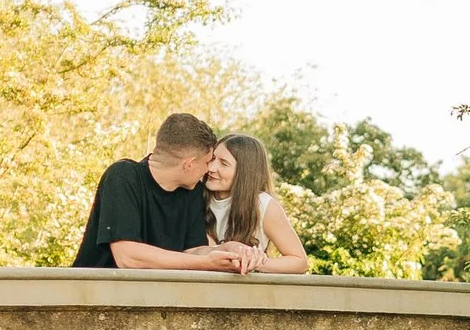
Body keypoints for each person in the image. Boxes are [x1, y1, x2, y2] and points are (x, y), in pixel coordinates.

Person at [73, 113, 258, 270]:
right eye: (208, 161)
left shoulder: (193, 191)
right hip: (94, 299)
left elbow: (193, 250)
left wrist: (228, 249)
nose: (209, 169)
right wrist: (204, 262)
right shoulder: (123, 177)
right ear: (189, 164)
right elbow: (127, 256)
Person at [203, 133, 311, 272]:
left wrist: (252, 262)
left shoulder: (264, 205)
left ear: (244, 172)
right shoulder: (195, 196)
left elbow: (299, 261)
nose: (211, 168)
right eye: (212, 159)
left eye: (223, 163)